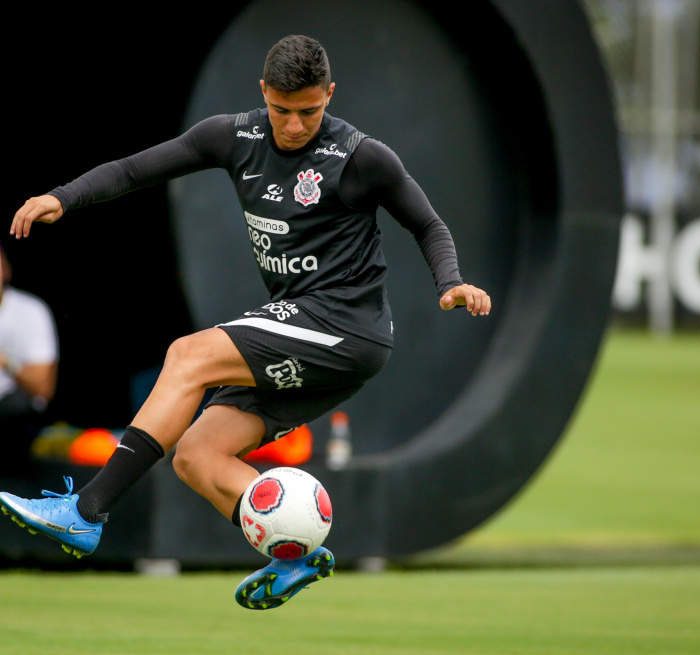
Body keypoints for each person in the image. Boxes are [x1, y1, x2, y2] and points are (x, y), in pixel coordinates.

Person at [0, 35, 491, 609]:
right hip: (308, 332)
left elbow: (429, 225)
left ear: (329, 95)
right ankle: (294, 555)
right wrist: (64, 197)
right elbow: (136, 169)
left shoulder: (362, 157)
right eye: (282, 110)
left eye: (310, 111)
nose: (294, 125)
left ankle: (85, 510)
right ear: (264, 93)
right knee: (196, 456)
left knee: (188, 354)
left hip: (346, 327)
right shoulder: (233, 136)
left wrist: (451, 281)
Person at [0, 246, 59, 466]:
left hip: (14, 418)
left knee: (18, 406)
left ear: (5, 269)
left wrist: (6, 363)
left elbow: (43, 388)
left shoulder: (31, 310)